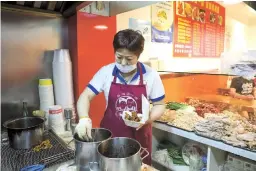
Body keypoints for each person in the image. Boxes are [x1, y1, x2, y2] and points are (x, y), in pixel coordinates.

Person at [75, 29, 166, 165]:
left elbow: (160, 104)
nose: (123, 63)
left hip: (139, 139)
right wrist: (83, 118)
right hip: (111, 138)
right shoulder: (106, 72)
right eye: (119, 57)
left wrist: (147, 119)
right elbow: (86, 96)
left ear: (138, 56)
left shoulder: (151, 75)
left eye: (129, 59)